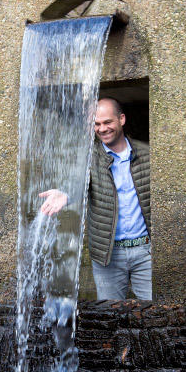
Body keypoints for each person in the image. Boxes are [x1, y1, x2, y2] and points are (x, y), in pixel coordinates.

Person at [39, 97, 151, 300]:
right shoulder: (90, 158)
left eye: (107, 122)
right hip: (107, 255)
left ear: (121, 119)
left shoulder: (147, 154)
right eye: (96, 124)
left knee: (156, 316)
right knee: (109, 317)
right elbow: (78, 181)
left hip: (146, 252)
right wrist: (65, 193)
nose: (102, 129)